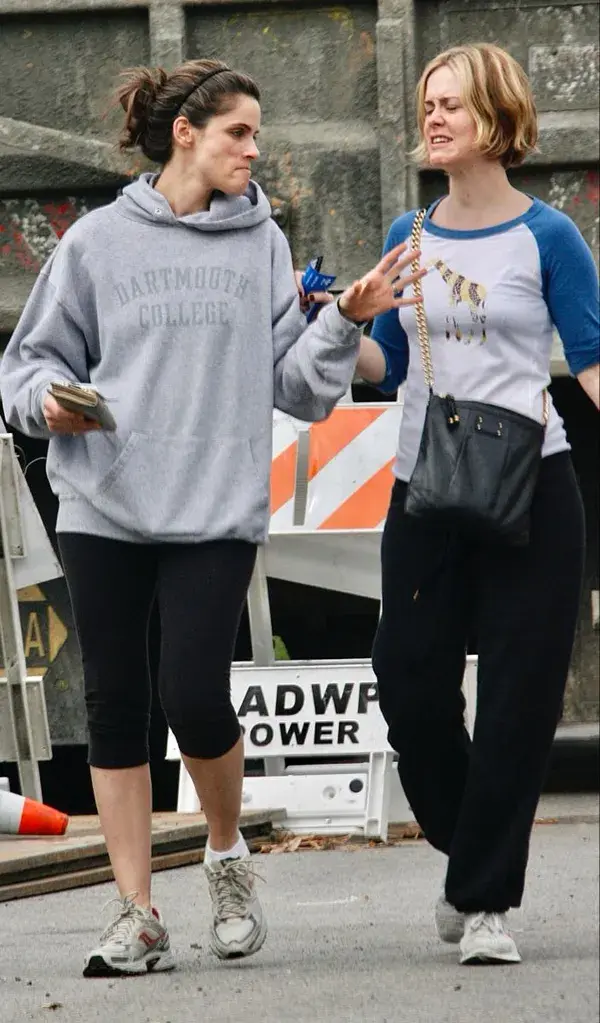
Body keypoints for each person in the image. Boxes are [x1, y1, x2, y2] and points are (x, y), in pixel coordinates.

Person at [0, 59, 423, 978]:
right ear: (184, 133)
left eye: (257, 134)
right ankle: (137, 909)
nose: (254, 150)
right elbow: (26, 367)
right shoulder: (99, 242)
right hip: (103, 503)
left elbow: (294, 387)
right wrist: (52, 405)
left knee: (193, 693)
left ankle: (224, 853)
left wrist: (342, 320)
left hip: (215, 507)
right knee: (116, 705)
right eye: (239, 132)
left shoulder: (259, 240)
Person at [357, 42, 599, 965]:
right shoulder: (404, 235)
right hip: (427, 486)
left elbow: (591, 362)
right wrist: (349, 319)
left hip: (534, 483)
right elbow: (386, 369)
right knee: (408, 678)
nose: (434, 117)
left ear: (498, 117)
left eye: (451, 103)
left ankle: (487, 902)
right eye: (428, 104)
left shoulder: (550, 238)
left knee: (517, 699)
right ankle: (471, 847)